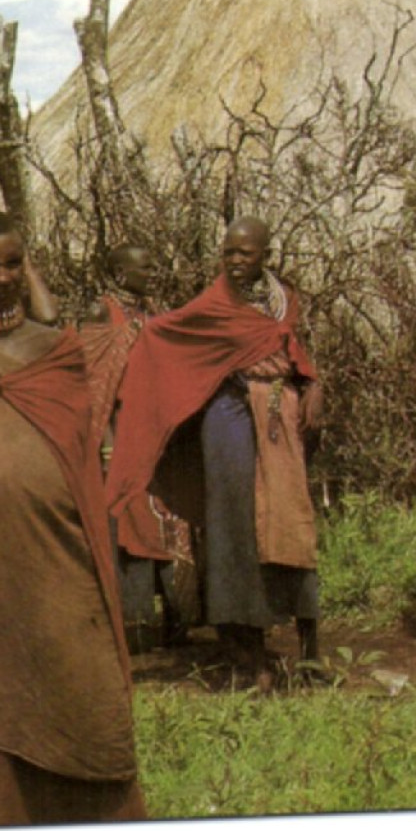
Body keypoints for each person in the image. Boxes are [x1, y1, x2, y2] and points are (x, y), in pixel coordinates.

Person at [0, 208, 146, 826]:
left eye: (14, 261)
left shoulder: (58, 354)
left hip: (65, 566)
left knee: (90, 705)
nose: (3, 276)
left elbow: (77, 451)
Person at [106, 217, 322, 685]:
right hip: (228, 415)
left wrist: (313, 385)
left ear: (265, 253)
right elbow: (164, 338)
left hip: (279, 414)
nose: (234, 261)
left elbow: (294, 350)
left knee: (286, 521)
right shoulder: (215, 302)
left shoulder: (283, 298)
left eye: (244, 253)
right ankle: (242, 652)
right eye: (228, 253)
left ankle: (305, 649)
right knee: (233, 526)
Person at [80, 244, 191, 651]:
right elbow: (94, 383)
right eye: (145, 266)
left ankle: (178, 622)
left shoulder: (154, 310)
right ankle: (136, 626)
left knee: (165, 519)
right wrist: (107, 444)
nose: (154, 271)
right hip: (119, 433)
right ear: (120, 272)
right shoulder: (101, 312)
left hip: (158, 432)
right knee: (128, 522)